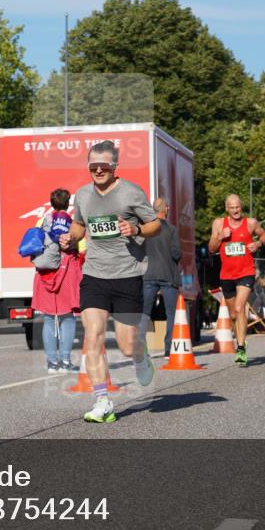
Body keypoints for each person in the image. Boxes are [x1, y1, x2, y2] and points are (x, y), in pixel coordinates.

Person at [59, 140, 160, 424]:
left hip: (128, 275)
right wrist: (72, 237)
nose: (99, 170)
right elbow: (80, 223)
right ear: (89, 167)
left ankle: (140, 356)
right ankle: (103, 401)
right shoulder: (82, 195)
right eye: (94, 165)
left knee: (127, 346)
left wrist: (136, 227)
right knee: (93, 336)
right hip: (95, 275)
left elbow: (155, 225)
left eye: (105, 165)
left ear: (115, 167)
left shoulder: (131, 192)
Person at [208, 194, 265, 367]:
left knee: (239, 307)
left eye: (238, 207)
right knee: (234, 315)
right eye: (232, 207)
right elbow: (211, 249)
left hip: (246, 272)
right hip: (227, 275)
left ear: (241, 207)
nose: (235, 210)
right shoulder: (219, 224)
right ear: (227, 208)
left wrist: (258, 244)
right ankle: (239, 342)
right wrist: (220, 237)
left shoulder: (251, 223)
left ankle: (241, 348)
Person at [32, 188, 82, 374]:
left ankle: (51, 362)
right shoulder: (71, 223)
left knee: (48, 317)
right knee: (67, 317)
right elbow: (77, 245)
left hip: (45, 272)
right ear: (68, 203)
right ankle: (65, 361)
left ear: (51, 202)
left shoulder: (42, 220)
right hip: (65, 270)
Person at [141, 197, 182, 358]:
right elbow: (176, 253)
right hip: (168, 275)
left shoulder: (146, 229)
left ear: (153, 210)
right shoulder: (171, 230)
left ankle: (141, 350)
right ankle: (168, 348)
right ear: (166, 209)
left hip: (148, 275)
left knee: (144, 312)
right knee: (171, 313)